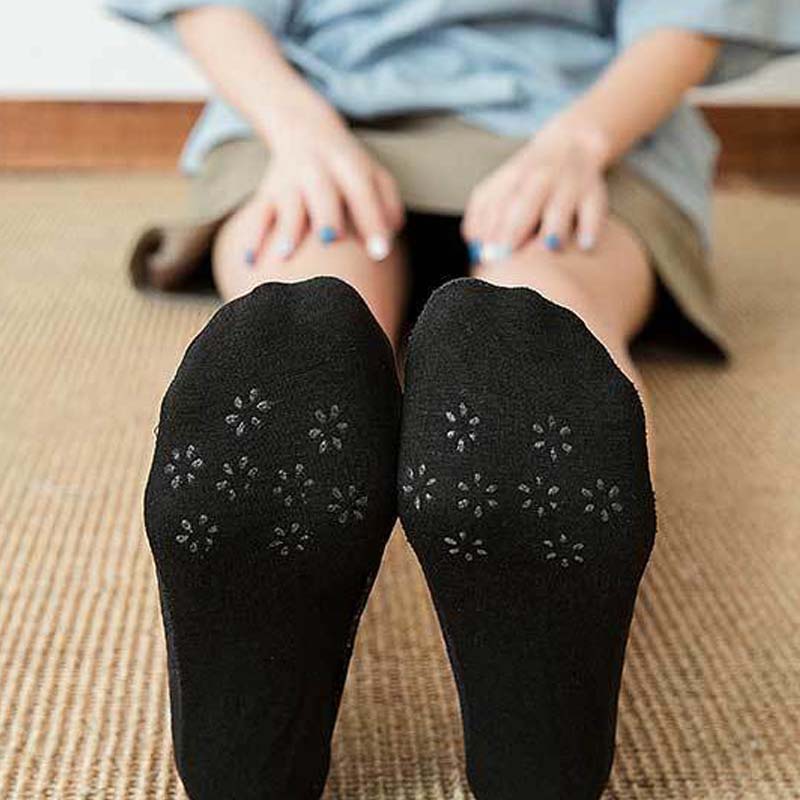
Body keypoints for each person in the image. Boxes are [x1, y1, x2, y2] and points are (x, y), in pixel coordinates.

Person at [108, 2, 799, 798]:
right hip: (313, 112)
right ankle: (536, 749)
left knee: (330, 290)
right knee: (526, 297)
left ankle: (250, 746)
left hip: (579, 119)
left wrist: (580, 143)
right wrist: (298, 130)